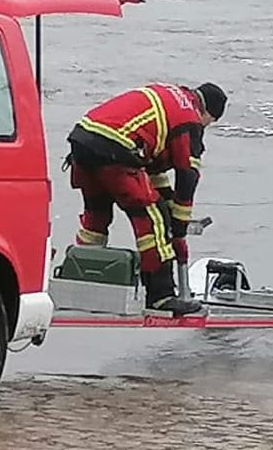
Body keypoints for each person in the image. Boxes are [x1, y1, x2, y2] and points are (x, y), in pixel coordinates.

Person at [67, 82, 227, 316]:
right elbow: (188, 176)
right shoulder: (189, 119)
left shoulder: (170, 97)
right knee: (154, 221)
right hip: (115, 150)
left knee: (96, 217)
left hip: (84, 141)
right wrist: (179, 227)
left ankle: (80, 284)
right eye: (209, 123)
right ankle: (161, 297)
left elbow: (152, 169)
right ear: (208, 113)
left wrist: (168, 200)